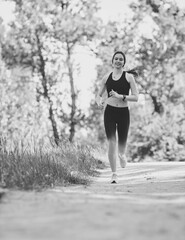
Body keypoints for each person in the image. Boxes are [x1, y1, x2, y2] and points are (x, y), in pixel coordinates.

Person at [96, 51, 138, 184]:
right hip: (109, 112)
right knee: (111, 143)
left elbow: (136, 97)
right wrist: (99, 102)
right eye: (116, 59)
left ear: (123, 62)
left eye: (121, 59)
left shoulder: (129, 77)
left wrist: (121, 96)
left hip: (123, 112)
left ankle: (122, 155)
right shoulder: (106, 77)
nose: (118, 61)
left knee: (121, 146)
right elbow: (98, 95)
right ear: (112, 61)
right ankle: (114, 174)